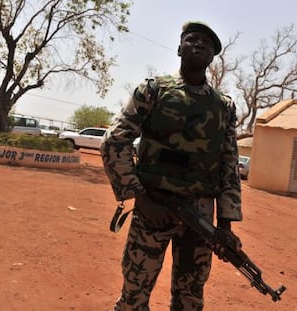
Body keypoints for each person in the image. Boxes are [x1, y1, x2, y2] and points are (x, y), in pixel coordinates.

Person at [100, 21, 243, 311]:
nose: (199, 44)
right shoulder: (152, 91)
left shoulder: (223, 108)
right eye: (192, 39)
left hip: (199, 217)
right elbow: (114, 140)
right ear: (179, 48)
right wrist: (140, 198)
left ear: (213, 56)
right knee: (134, 295)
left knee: (190, 299)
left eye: (207, 42)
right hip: (153, 207)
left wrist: (224, 226)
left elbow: (228, 166)